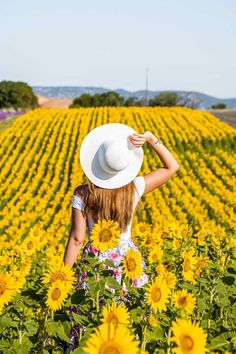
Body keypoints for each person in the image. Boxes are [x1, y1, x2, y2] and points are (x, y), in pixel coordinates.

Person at [63, 123, 179, 351]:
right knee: (129, 315)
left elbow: (77, 240)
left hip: (95, 262)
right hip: (128, 262)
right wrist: (151, 139)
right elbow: (172, 167)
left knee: (91, 316)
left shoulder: (83, 193)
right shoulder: (134, 187)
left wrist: (62, 278)